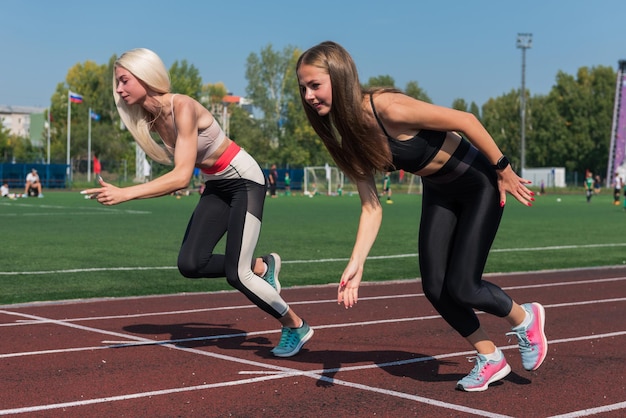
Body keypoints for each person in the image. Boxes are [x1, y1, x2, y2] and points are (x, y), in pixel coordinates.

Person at [296, 41, 546, 392]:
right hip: (439, 190)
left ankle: (526, 318)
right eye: (302, 87)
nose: (308, 95)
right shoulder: (345, 135)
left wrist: (502, 169)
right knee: (434, 287)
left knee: (464, 286)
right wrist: (357, 263)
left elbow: (466, 120)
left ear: (339, 77)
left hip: (479, 185)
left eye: (315, 85)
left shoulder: (387, 108)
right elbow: (371, 205)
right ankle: (490, 357)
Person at [81, 48, 313, 357]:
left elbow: (180, 178)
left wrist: (126, 192)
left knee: (237, 275)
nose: (120, 90)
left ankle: (295, 325)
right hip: (217, 184)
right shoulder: (150, 119)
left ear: (145, 76)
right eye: (118, 84)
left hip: (246, 181)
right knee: (191, 263)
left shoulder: (184, 106)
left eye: (124, 81)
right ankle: (263, 265)